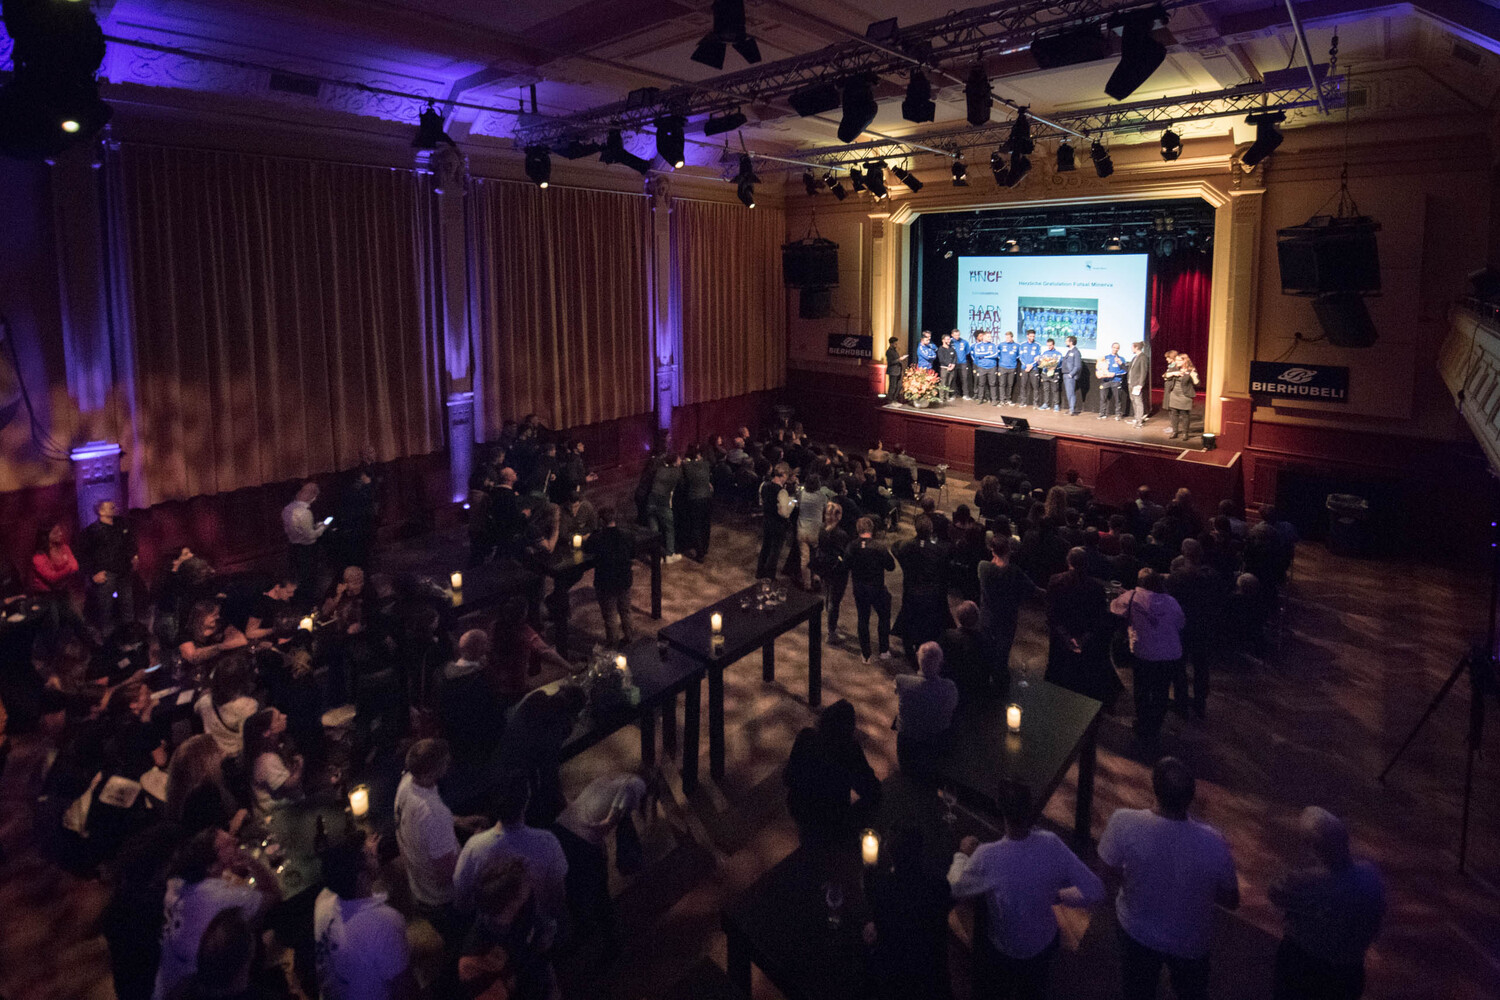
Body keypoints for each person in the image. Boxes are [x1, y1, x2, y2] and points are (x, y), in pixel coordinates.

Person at [1099, 757, 1239, 1000]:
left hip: (1136, 931)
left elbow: (1105, 873)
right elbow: (1231, 900)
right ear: (1191, 797)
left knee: (1136, 991)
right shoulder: (1214, 842)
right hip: (1190, 941)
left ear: (1154, 788)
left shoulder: (1123, 822)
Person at [950, 781, 1105, 1000]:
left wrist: (962, 855)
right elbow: (1096, 890)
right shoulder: (1051, 844)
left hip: (1004, 949)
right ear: (1031, 808)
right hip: (1043, 944)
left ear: (1000, 808)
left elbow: (955, 888)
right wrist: (1060, 896)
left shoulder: (987, 855)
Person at [1269, 807, 1386, 1000]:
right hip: (1349, 973)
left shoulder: (1304, 882)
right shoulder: (1370, 876)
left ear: (1311, 847)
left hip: (1302, 968)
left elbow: (1275, 892)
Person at [153, 828, 280, 1000]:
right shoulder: (218, 897)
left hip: (166, 985)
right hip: (197, 990)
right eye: (228, 844)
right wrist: (249, 859)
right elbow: (273, 895)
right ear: (211, 866)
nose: (236, 841)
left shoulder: (177, 882)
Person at [453, 773, 569, 931]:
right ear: (526, 802)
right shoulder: (548, 842)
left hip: (492, 928)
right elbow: (558, 895)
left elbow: (461, 896)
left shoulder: (474, 846)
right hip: (535, 925)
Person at [313, 833, 416, 1000]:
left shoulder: (322, 900)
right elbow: (405, 989)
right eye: (369, 855)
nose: (376, 855)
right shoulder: (385, 923)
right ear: (361, 878)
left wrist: (363, 856)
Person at [865, 828, 954, 1000]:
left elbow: (887, 927)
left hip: (896, 976)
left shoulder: (883, 888)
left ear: (889, 853)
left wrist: (876, 926)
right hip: (933, 972)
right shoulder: (939, 886)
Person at [458, 856, 559, 1000]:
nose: (531, 881)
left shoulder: (525, 904)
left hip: (539, 975)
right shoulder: (473, 959)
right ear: (512, 903)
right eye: (525, 882)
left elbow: (539, 936)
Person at [783, 699, 880, 847]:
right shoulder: (849, 751)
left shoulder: (805, 737)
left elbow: (788, 777)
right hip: (832, 817)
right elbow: (870, 788)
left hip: (800, 809)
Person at [1112, 569, 1187, 744]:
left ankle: (1142, 724)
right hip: (1169, 653)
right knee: (1161, 691)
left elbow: (1114, 607)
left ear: (1140, 582)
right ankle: (1155, 727)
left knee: (1142, 690)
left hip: (1144, 653)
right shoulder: (1171, 601)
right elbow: (1181, 623)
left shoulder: (1131, 596)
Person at [394, 739, 465, 922]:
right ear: (433, 772)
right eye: (445, 763)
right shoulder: (434, 813)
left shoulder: (406, 783)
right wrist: (476, 847)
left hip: (418, 887)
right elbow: (447, 875)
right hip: (440, 901)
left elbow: (422, 824)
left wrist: (458, 821)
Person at [1044, 548, 1116, 704]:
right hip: (1084, 634)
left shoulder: (1055, 580)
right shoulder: (1096, 587)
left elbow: (1051, 612)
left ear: (1068, 562)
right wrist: (1084, 638)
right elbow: (1098, 617)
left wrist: (1065, 636)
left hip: (1060, 635)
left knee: (1058, 670)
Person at [979, 536, 1043, 692]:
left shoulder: (983, 567)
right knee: (1002, 651)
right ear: (1009, 551)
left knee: (987, 648)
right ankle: (1000, 685)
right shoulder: (1014, 572)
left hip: (987, 616)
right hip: (1007, 617)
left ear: (992, 550)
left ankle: (984, 681)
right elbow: (1033, 590)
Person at [893, 642, 958, 774]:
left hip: (907, 744)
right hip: (935, 742)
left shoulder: (901, 680)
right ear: (940, 663)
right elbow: (952, 708)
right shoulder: (949, 687)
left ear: (918, 659)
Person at [894, 516, 952, 663]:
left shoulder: (905, 546)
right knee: (925, 623)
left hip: (910, 590)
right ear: (930, 531)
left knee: (908, 619)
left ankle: (908, 650)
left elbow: (895, 548)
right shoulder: (938, 550)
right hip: (929, 593)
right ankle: (921, 650)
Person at [77, 499, 138, 636]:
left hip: (124, 570)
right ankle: (108, 637)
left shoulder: (121, 524)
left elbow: (131, 541)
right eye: (111, 507)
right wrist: (92, 574)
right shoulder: (92, 531)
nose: (115, 508)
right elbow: (84, 555)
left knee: (127, 604)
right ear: (101, 511)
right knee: (106, 607)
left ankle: (129, 634)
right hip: (106, 573)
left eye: (114, 506)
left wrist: (134, 556)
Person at [582, 507, 636, 647]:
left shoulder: (597, 538)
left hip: (606, 581)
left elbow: (586, 548)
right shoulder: (625, 535)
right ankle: (630, 638)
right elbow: (632, 551)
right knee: (625, 610)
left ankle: (613, 644)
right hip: (624, 578)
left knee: (610, 614)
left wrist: (587, 538)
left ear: (601, 521)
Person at [845, 517, 895, 663]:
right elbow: (891, 566)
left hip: (860, 588)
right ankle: (884, 650)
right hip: (877, 588)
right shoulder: (879, 547)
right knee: (884, 617)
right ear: (872, 529)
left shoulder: (852, 546)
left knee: (863, 619)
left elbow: (845, 565)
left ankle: (866, 654)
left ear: (858, 530)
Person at [194, 654, 258, 757]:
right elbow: (250, 738)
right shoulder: (248, 706)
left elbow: (196, 709)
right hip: (236, 754)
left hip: (213, 753)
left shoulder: (204, 701)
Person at [242, 707, 303, 815]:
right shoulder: (266, 760)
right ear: (267, 732)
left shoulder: (275, 747)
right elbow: (288, 785)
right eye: (278, 718)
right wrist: (300, 767)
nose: (285, 716)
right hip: (277, 814)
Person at [811, 501, 850, 644]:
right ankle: (831, 632)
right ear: (838, 516)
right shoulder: (841, 534)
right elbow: (844, 555)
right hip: (837, 572)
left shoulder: (822, 528)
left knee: (828, 595)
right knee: (835, 601)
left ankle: (830, 622)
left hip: (825, 568)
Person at [281, 482, 327, 594]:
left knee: (297, 577)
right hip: (307, 550)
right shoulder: (305, 512)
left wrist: (314, 527)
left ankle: (298, 598)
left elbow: (293, 529)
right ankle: (309, 599)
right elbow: (310, 536)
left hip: (292, 547)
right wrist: (323, 528)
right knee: (309, 579)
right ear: (313, 496)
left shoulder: (287, 509)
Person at [755, 464, 794, 581]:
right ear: (784, 475)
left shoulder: (764, 485)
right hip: (778, 524)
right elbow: (784, 513)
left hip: (766, 520)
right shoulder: (782, 492)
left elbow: (761, 501)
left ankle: (760, 572)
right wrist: (792, 502)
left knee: (765, 546)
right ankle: (770, 575)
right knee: (775, 550)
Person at [795, 473, 833, 590]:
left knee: (804, 558)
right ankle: (816, 577)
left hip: (802, 530)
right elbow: (826, 510)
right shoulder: (822, 496)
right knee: (816, 556)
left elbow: (796, 505)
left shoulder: (802, 494)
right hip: (816, 531)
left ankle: (807, 584)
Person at [645, 451, 683, 563]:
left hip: (651, 500)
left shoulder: (660, 469)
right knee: (669, 528)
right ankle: (669, 555)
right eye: (679, 459)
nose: (681, 461)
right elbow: (681, 484)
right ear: (675, 462)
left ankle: (655, 557)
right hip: (663, 502)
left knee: (653, 531)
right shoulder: (677, 471)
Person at [680, 444, 713, 562]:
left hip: (694, 498)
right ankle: (705, 547)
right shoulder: (706, 464)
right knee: (706, 524)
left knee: (696, 525)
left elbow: (683, 482)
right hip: (707, 497)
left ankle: (700, 553)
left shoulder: (686, 466)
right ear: (698, 455)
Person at [244, 576, 298, 646]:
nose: (292, 595)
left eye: (293, 591)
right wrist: (275, 629)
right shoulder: (261, 604)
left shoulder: (283, 600)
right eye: (288, 592)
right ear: (277, 587)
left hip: (286, 638)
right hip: (268, 642)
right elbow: (250, 633)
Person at [1164, 354, 1200, 440]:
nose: (1177, 362)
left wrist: (1193, 376)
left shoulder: (1191, 370)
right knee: (1174, 413)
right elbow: (1165, 376)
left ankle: (1185, 433)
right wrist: (1173, 373)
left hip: (1185, 395)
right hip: (1174, 394)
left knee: (1185, 414)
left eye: (1179, 360)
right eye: (1176, 360)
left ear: (1185, 361)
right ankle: (1175, 432)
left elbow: (1197, 383)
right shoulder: (1174, 368)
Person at [1097, 342, 1127, 420]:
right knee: (1103, 398)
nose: (1115, 349)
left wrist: (1114, 374)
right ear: (1111, 347)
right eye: (1114, 347)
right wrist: (1099, 373)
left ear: (1118, 349)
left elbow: (1124, 371)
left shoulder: (1121, 359)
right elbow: (1099, 367)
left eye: (1117, 348)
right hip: (1105, 381)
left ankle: (1118, 414)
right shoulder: (1106, 357)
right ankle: (1102, 413)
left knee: (1117, 399)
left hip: (1116, 381)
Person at [971, 330, 999, 404]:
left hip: (992, 367)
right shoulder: (978, 345)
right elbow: (977, 354)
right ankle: (980, 399)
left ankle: (994, 400)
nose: (990, 338)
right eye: (988, 336)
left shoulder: (993, 345)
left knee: (992, 384)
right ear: (984, 337)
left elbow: (995, 355)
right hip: (982, 367)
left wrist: (984, 356)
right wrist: (988, 353)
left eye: (990, 336)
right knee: (981, 384)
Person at [1127, 340, 1150, 426]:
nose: (1131, 349)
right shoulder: (1135, 358)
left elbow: (1144, 371)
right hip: (1131, 383)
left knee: (1138, 402)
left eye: (1132, 347)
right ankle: (1136, 418)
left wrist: (1140, 384)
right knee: (1133, 401)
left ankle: (1139, 421)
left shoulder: (1143, 357)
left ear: (1136, 348)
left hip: (1137, 384)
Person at [1017, 329, 1042, 407]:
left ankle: (1035, 403)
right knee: (1023, 385)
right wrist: (1026, 365)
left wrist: (1031, 365)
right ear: (1027, 336)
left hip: (1034, 369)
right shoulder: (1022, 345)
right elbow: (1021, 357)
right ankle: (1023, 401)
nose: (1032, 338)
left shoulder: (1038, 345)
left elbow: (1038, 357)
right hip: (1024, 368)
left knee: (1035, 386)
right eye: (1031, 336)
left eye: (1033, 336)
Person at [1060, 335, 1083, 415]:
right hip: (1065, 374)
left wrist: (1071, 374)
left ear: (1071, 342)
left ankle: (1072, 409)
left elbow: (1078, 366)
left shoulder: (1076, 352)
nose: (1065, 342)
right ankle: (1071, 408)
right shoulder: (1069, 351)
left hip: (1070, 375)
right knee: (1068, 393)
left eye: (1067, 341)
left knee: (1070, 393)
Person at [1037, 337, 1062, 411]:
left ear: (1053, 345)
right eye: (1048, 345)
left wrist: (1054, 366)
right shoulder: (1045, 353)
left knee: (1055, 390)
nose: (1049, 347)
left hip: (1054, 374)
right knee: (1046, 389)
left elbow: (1059, 364)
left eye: (1050, 345)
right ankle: (1046, 404)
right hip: (1045, 374)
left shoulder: (1058, 354)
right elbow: (1041, 362)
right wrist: (1038, 360)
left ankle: (1056, 405)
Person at [950, 328, 973, 400]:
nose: (957, 336)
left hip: (963, 363)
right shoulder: (949, 342)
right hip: (953, 363)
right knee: (953, 379)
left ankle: (966, 394)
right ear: (952, 335)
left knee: (964, 379)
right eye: (955, 335)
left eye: (958, 335)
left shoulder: (964, 342)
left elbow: (967, 352)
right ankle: (953, 395)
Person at [937, 332, 959, 401]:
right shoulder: (941, 349)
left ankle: (947, 396)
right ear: (943, 340)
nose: (948, 341)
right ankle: (941, 397)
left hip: (952, 368)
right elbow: (941, 359)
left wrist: (953, 364)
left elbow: (955, 357)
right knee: (943, 383)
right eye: (947, 339)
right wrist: (948, 364)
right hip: (944, 368)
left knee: (949, 383)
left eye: (949, 339)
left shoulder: (952, 349)